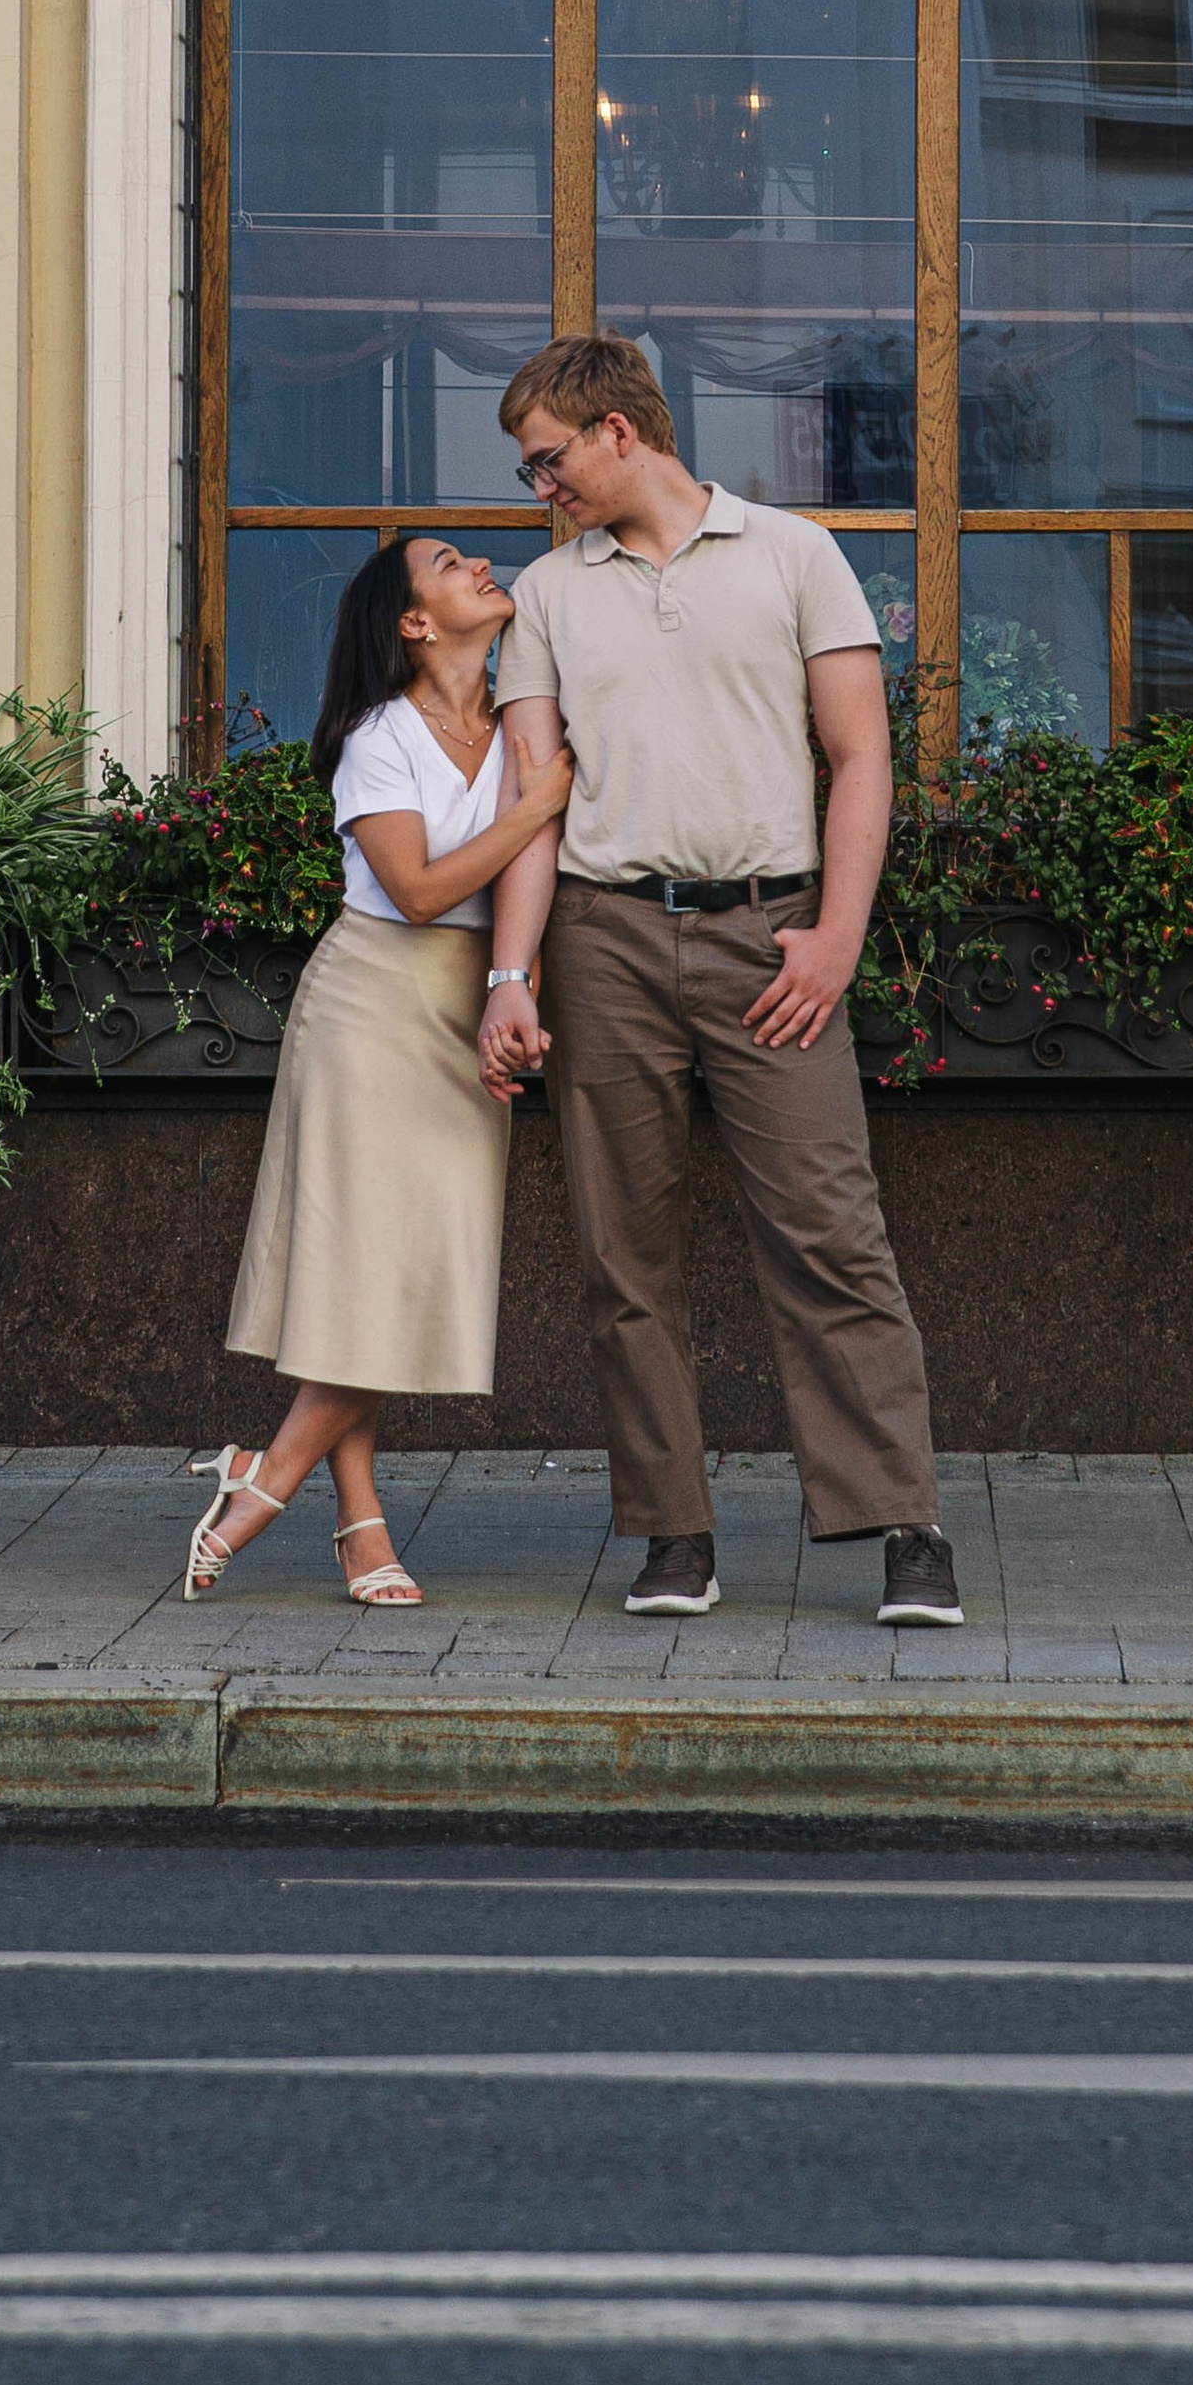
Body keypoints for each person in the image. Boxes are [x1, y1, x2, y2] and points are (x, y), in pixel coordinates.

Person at [477, 333, 962, 1629]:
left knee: (829, 1233)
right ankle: (672, 1534)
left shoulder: (793, 555)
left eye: (549, 460)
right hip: (605, 941)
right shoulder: (545, 595)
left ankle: (905, 1524)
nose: (540, 489)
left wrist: (835, 936)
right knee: (620, 1254)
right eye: (531, 471)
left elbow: (860, 758)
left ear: (620, 431)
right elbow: (534, 798)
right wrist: (509, 976)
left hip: (772, 937)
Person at [183, 533, 572, 1609]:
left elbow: (523, 891)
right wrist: (537, 806)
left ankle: (311, 1498)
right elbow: (414, 890)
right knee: (373, 1267)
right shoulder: (377, 738)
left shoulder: (519, 727)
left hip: (472, 1004)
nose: (482, 566)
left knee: (400, 1269)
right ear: (413, 621)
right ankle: (288, 1494)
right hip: (370, 1003)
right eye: (451, 564)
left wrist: (518, 990)